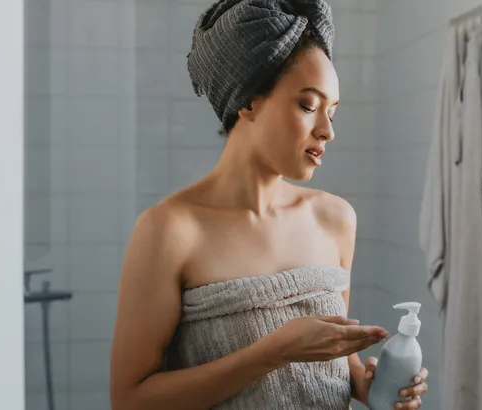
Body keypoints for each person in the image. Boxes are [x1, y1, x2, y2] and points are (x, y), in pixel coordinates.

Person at [109, 0, 429, 409]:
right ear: (247, 101)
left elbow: (335, 360)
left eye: (332, 113)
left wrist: (368, 384)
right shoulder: (169, 230)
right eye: (308, 106)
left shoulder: (335, 219)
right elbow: (129, 400)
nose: (327, 131)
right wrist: (271, 353)